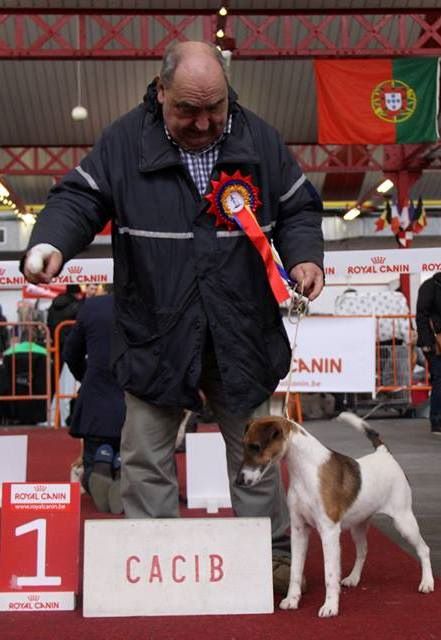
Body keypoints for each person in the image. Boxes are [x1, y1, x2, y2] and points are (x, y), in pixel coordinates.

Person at [21, 41, 324, 590]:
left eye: (215, 108)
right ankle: (151, 562)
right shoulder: (122, 142)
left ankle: (273, 561)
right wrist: (51, 243)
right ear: (160, 91)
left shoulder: (259, 139)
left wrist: (304, 256)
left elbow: (299, 206)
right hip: (155, 331)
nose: (204, 122)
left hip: (241, 331)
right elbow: (78, 199)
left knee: (255, 455)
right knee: (145, 456)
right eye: (188, 109)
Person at [63, 289, 126, 512]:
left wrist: (85, 375)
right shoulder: (143, 303)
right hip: (132, 395)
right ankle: (121, 468)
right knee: (135, 453)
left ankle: (99, 465)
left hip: (96, 396)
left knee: (92, 454)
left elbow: (70, 351)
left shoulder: (91, 307)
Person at [416, 273, 441, 435]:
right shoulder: (430, 286)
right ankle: (437, 420)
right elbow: (422, 316)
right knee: (439, 379)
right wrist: (427, 343)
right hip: (435, 342)